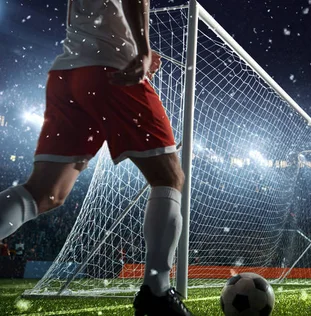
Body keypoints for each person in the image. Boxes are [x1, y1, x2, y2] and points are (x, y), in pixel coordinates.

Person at [0, 1, 192, 315]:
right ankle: (156, 292)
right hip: (110, 72)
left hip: (67, 74)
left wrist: (128, 44)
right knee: (168, 178)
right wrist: (141, 50)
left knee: (45, 193)